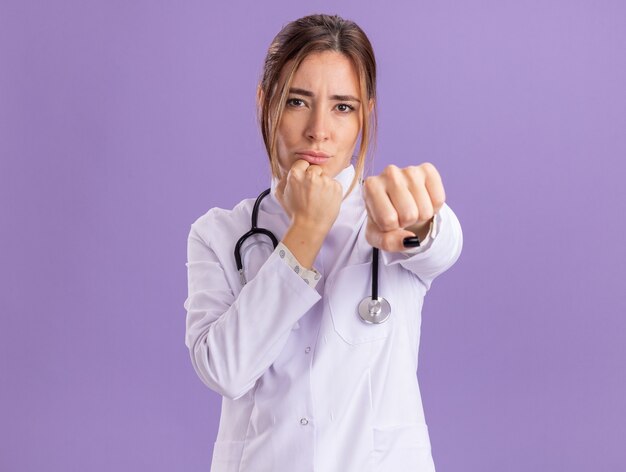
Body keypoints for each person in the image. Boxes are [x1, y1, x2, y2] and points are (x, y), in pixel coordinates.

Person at [184, 13, 463, 472]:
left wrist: (421, 223)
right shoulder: (220, 234)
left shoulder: (390, 211)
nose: (319, 130)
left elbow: (442, 243)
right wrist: (306, 232)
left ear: (365, 115)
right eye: (297, 101)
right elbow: (225, 370)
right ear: (264, 102)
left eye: (343, 106)